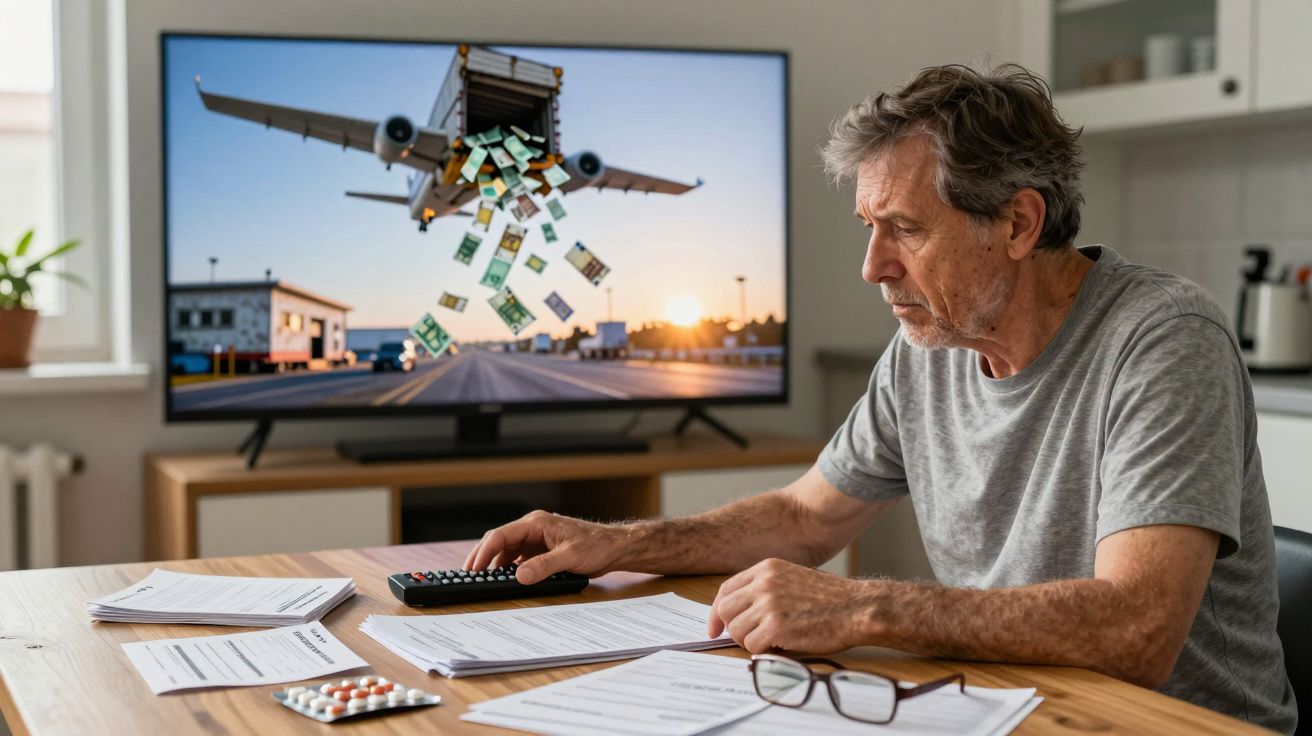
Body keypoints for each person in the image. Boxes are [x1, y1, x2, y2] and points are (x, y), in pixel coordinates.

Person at [463, 64, 1296, 732]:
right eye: (870, 226)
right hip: (1009, 708)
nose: (873, 266)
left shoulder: (1163, 338)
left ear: (1017, 224)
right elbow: (803, 518)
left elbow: (1136, 628)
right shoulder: (930, 348)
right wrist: (614, 543)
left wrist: (863, 605)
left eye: (906, 228)